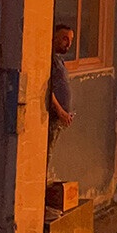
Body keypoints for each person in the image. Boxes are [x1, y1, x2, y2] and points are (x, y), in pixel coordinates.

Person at [48, 24, 75, 167]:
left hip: (59, 119)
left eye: (71, 40)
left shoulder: (59, 60)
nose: (69, 44)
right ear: (54, 37)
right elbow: (47, 88)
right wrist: (60, 111)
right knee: (46, 154)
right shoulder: (49, 60)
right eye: (65, 39)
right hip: (52, 117)